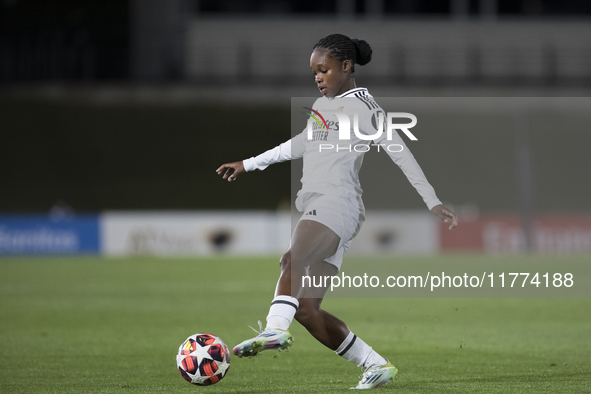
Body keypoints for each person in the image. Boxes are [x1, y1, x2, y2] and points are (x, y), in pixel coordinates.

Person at [216, 33, 458, 390]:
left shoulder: (364, 107)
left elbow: (399, 151)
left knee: (291, 260)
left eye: (323, 70)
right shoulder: (323, 105)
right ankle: (376, 365)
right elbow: (299, 144)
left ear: (346, 66)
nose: (317, 77)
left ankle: (273, 329)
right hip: (329, 208)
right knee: (307, 310)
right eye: (314, 72)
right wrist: (249, 164)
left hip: (335, 203)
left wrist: (431, 200)